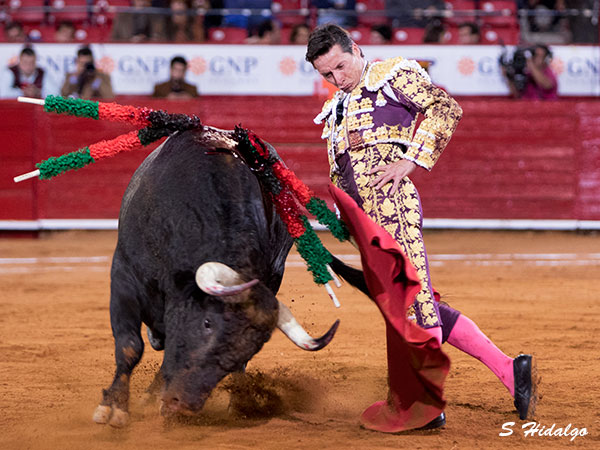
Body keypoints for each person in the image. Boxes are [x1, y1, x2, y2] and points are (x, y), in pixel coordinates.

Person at [306, 23, 537, 432]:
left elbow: (444, 108)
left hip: (394, 208)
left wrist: (411, 160)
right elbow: (343, 172)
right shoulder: (337, 106)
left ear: (355, 49)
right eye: (327, 74)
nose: (337, 79)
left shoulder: (392, 75)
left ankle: (426, 403)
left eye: (340, 66)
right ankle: (509, 370)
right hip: (366, 224)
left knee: (412, 301)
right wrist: (347, 221)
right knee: (415, 302)